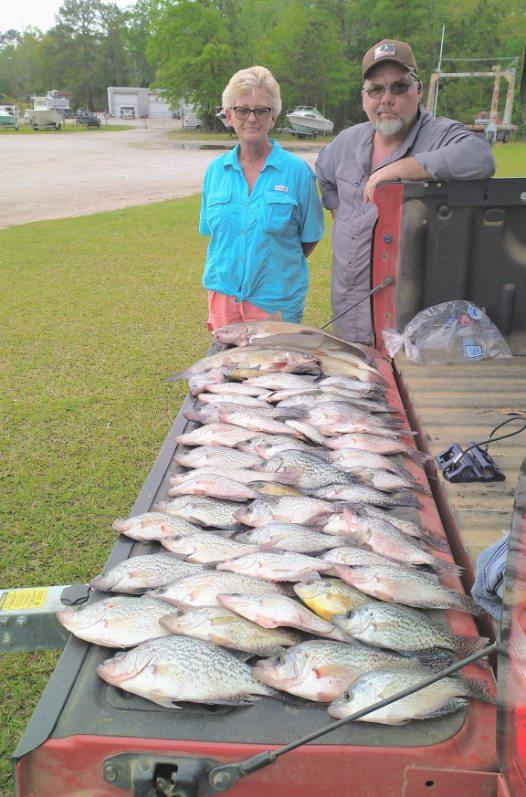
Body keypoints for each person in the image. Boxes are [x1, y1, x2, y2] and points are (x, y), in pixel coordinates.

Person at [315, 39, 496, 345]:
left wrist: (401, 169)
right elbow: (323, 172)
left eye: (399, 88)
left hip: (412, 326)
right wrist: (339, 213)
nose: (387, 99)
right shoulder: (346, 142)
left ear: (418, 90)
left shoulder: (440, 134)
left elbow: (481, 158)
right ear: (364, 97)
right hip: (350, 316)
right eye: (376, 89)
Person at [199, 66, 324, 331]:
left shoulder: (298, 172)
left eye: (261, 111)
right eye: (243, 110)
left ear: (273, 118)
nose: (252, 118)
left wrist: (273, 265)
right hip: (224, 301)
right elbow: (216, 236)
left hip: (274, 305)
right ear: (230, 116)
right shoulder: (215, 172)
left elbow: (309, 238)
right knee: (226, 359)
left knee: (273, 360)